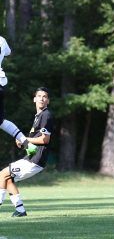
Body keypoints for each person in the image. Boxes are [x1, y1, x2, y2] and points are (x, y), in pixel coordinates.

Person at [0, 87, 53, 217]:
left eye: (44, 96)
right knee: (8, 179)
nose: (41, 98)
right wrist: (24, 142)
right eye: (39, 96)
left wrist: (24, 139)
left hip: (36, 159)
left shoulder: (46, 115)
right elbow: (36, 140)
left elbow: (45, 140)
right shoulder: (38, 116)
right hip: (32, 157)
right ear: (34, 99)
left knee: (2, 174)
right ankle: (20, 210)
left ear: (48, 101)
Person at [0, 36, 37, 155]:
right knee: (0, 121)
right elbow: (8, 52)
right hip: (1, 82)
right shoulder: (2, 40)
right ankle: (27, 144)